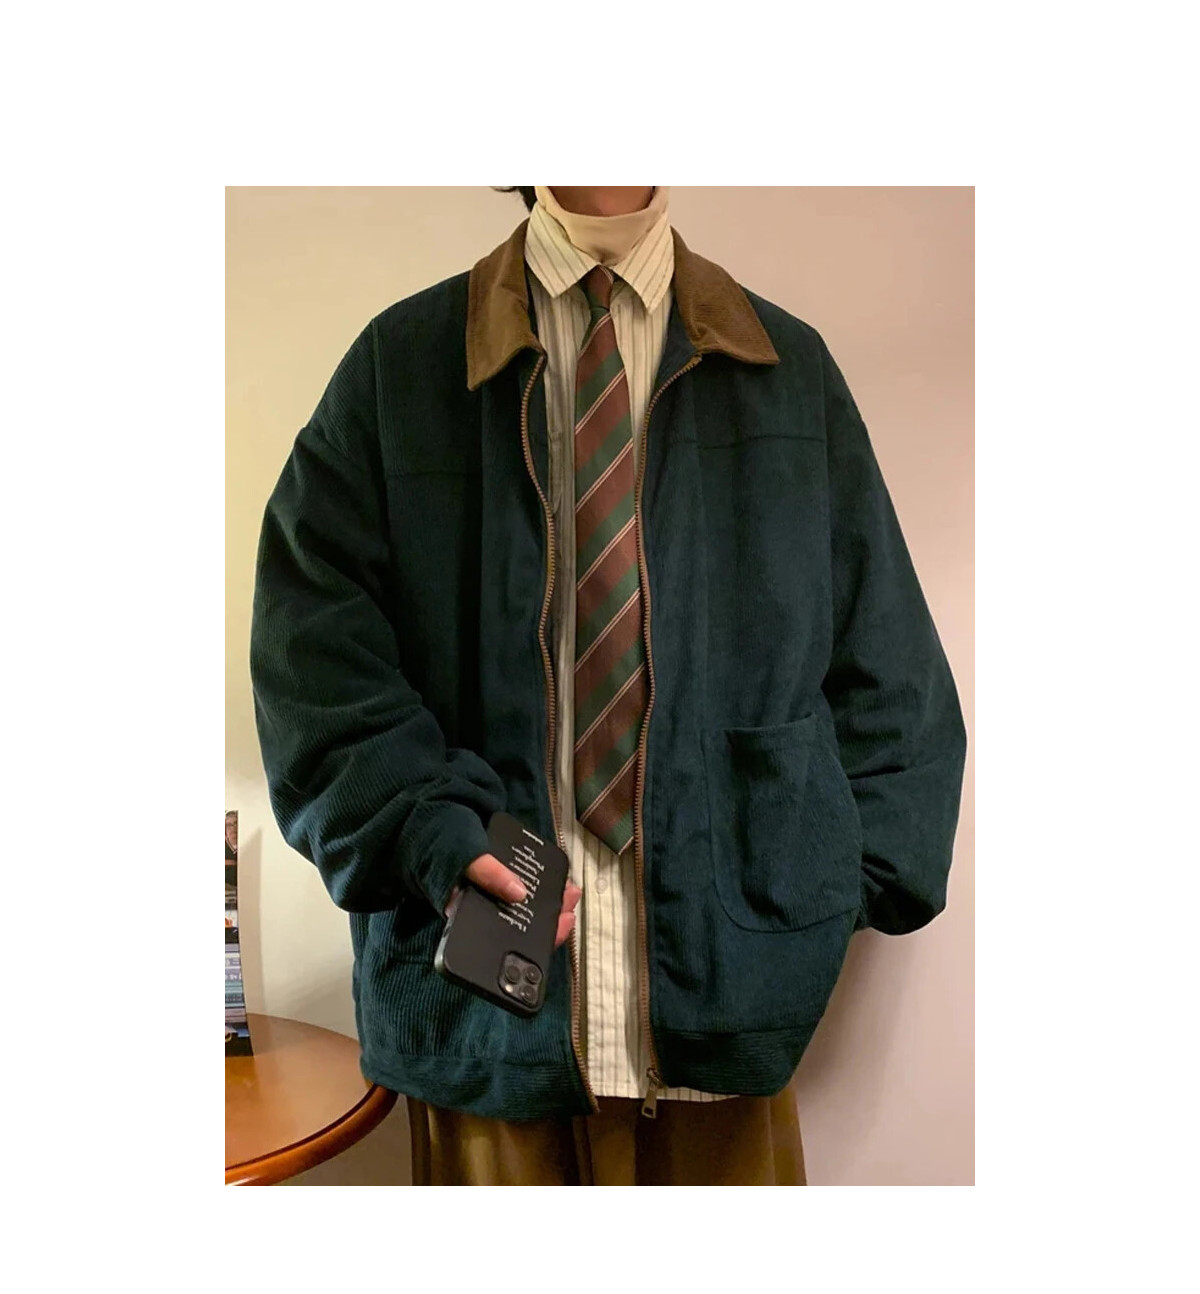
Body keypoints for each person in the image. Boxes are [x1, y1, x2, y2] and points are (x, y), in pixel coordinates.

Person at [250, 186, 967, 1185]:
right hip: (486, 1018)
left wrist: (805, 893)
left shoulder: (785, 372)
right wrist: (427, 833)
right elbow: (313, 670)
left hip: (728, 1016)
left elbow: (894, 688)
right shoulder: (401, 368)